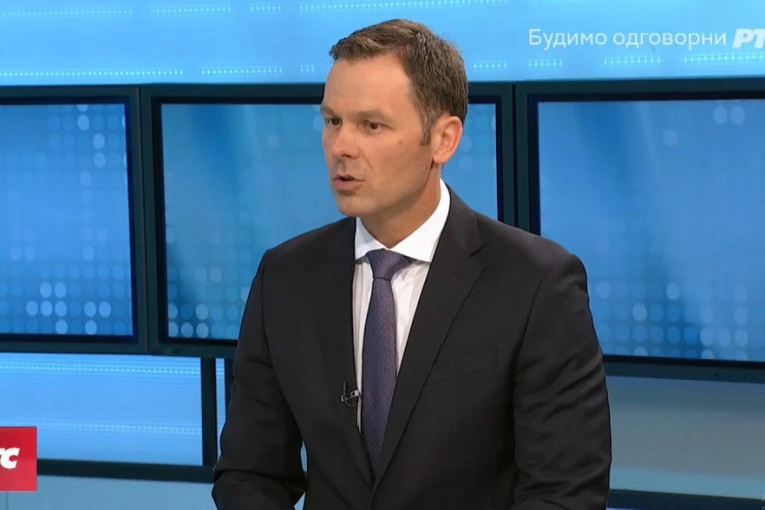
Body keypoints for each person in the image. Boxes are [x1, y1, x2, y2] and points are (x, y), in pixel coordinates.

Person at [212, 19, 612, 510]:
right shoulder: (285, 278)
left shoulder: (536, 285)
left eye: (371, 125)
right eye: (332, 121)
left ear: (443, 139)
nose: (341, 147)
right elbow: (249, 473)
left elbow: (564, 494)